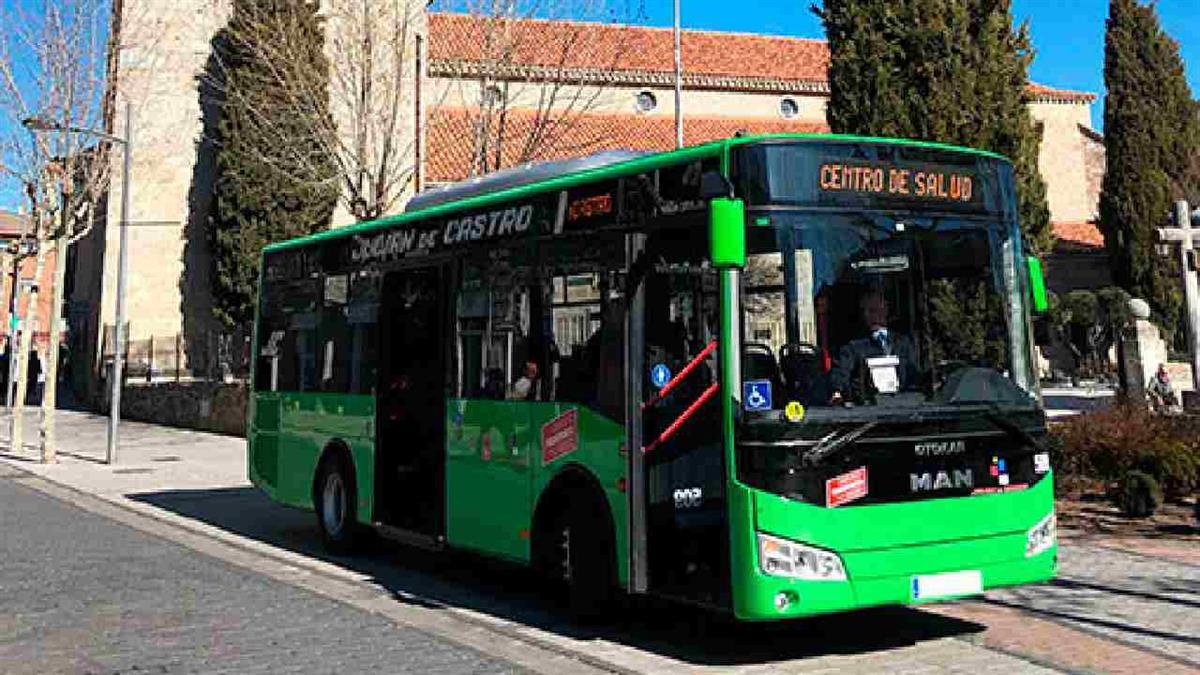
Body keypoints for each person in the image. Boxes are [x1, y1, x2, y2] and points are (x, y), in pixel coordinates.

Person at [829, 290, 919, 404]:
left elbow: (914, 373)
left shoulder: (903, 343)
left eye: (872, 310)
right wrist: (838, 390)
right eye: (864, 311)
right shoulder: (853, 346)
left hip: (904, 406)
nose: (867, 315)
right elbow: (841, 373)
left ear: (885, 310)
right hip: (868, 409)